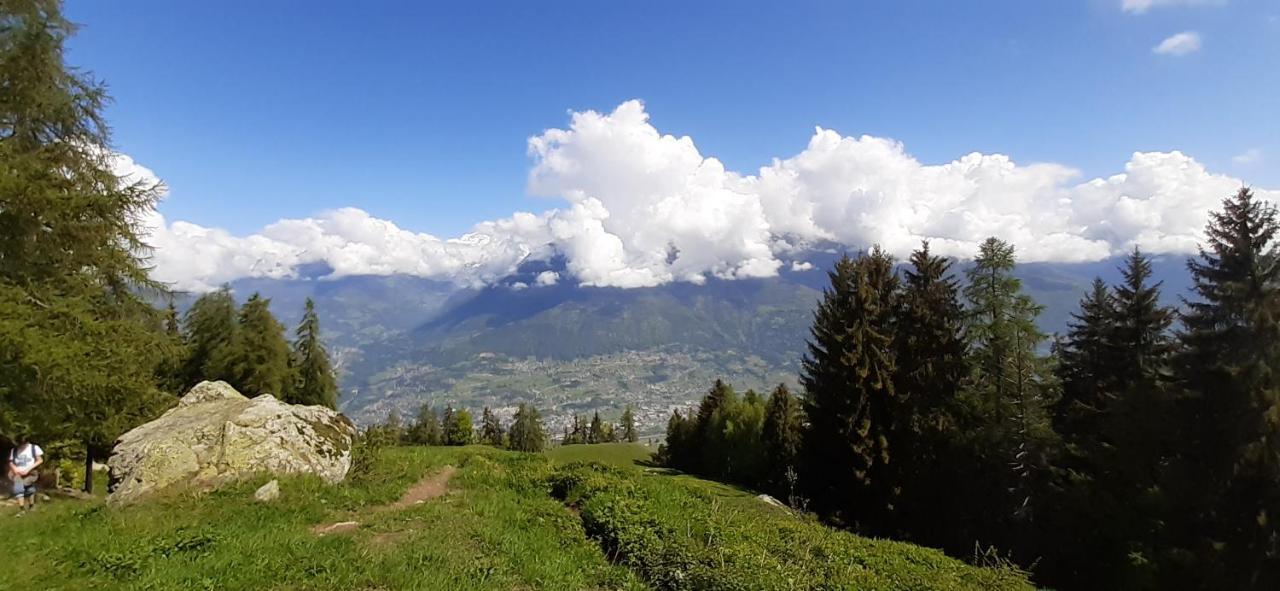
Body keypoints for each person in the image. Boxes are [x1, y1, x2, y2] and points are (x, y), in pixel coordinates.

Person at [7, 437, 43, 513]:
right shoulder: (14, 450)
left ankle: (31, 505)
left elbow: (40, 460)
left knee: (28, 488)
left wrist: (28, 469)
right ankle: (22, 509)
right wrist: (15, 469)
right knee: (19, 488)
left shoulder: (34, 448)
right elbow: (11, 462)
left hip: (31, 472)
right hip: (18, 473)